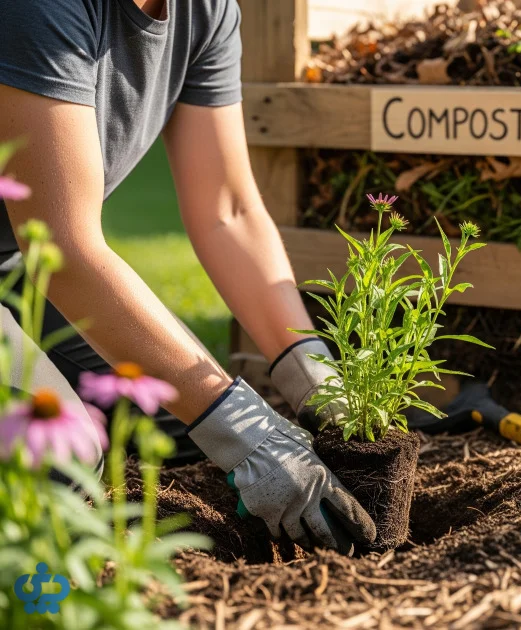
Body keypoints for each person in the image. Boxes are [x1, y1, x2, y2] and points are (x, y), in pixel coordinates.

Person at [0, 0, 376, 553]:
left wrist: (316, 381)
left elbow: (229, 213)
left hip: (20, 268)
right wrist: (246, 436)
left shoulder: (207, 10)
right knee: (56, 455)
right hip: (44, 258)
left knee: (172, 421)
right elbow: (65, 246)